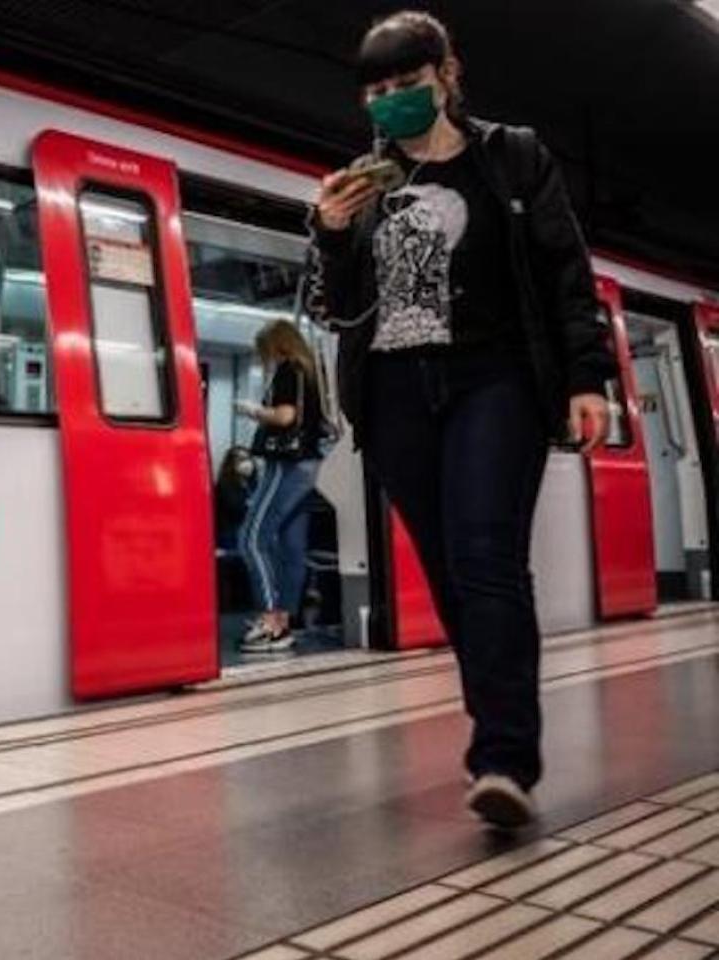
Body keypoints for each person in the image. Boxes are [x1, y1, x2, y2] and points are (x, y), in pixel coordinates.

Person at [308, 12, 616, 828]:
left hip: (495, 378)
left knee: (486, 556)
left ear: (446, 76)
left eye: (406, 85)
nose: (391, 102)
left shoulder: (512, 157)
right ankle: (499, 729)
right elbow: (343, 311)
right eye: (376, 92)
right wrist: (332, 235)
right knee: (449, 572)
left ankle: (504, 757)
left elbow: (564, 270)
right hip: (397, 392)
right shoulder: (365, 185)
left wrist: (588, 376)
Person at [234, 320, 327, 654]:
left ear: (277, 346)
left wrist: (253, 411)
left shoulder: (289, 370)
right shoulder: (313, 373)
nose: (266, 358)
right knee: (292, 548)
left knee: (251, 537)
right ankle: (285, 622)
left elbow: (285, 417)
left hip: (286, 464)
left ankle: (271, 620)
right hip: (310, 466)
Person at [213, 445, 256, 552]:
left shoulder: (252, 484)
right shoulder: (225, 485)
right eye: (241, 459)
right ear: (231, 463)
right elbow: (237, 509)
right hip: (231, 533)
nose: (246, 463)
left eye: (248, 458)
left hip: (247, 531)